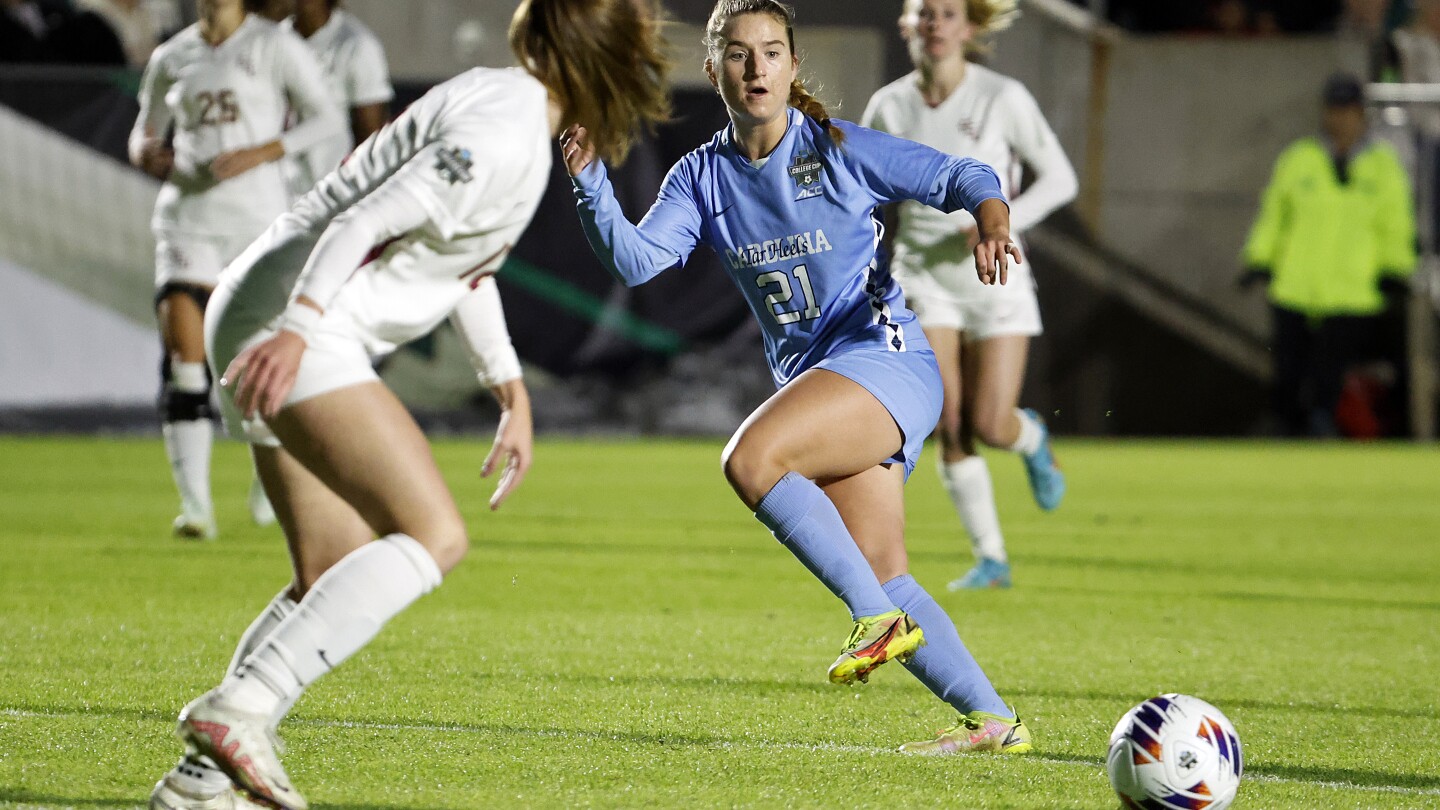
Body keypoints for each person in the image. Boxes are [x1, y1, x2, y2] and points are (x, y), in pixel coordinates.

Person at [147, 0, 670, 807]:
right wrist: (299, 330)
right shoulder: (503, 130)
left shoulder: (502, 100)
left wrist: (509, 388)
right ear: (600, 60)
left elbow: (459, 263)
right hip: (297, 315)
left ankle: (201, 780)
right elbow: (368, 218)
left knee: (326, 570)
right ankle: (242, 711)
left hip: (270, 299)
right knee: (435, 533)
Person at [564, 0, 1032, 755]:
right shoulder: (703, 176)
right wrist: (590, 182)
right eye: (740, 55)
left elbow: (959, 172)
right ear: (714, 70)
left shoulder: (837, 147)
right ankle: (995, 720)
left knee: (751, 459)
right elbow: (638, 261)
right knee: (886, 573)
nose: (757, 68)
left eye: (772, 52)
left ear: (793, 67)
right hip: (830, 383)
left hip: (887, 360)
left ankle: (877, 626)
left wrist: (993, 219)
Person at [860, 0, 1076, 590]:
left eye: (948, 14)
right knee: (949, 421)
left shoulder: (1002, 97)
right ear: (906, 24)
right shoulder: (889, 105)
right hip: (925, 278)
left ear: (970, 28)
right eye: (924, 13)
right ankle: (992, 559)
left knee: (990, 423)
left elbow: (1061, 179)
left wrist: (1000, 221)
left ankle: (1028, 438)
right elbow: (863, 189)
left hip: (997, 272)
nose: (935, 24)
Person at [129, 0, 344, 540]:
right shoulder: (171, 56)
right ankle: (196, 508)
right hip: (187, 222)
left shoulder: (274, 45)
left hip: (258, 225)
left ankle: (267, 479)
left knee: (259, 364)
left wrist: (265, 151)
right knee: (185, 361)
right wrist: (148, 155)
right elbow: (144, 132)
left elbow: (326, 118)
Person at [1240, 73, 1416, 437]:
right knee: (1287, 366)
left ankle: (1322, 422)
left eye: (1348, 110)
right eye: (1334, 109)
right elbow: (1275, 213)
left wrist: (1395, 269)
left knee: (1331, 368)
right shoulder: (1300, 157)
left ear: (1361, 114)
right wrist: (1260, 259)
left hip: (1351, 285)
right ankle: (1285, 425)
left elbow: (1395, 222)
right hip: (1297, 281)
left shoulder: (1383, 165)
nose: (1340, 118)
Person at [260, 0, 394, 197]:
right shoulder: (271, 40)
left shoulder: (356, 44)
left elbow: (371, 135)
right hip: (274, 192)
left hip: (330, 194)